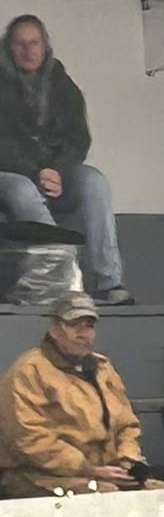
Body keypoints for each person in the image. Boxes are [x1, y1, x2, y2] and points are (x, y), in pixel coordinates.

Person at [0, 16, 130, 306]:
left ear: (45, 46)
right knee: (22, 189)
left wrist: (57, 171)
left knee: (93, 181)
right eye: (19, 44)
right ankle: (59, 283)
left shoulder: (62, 84)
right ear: (8, 48)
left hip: (51, 174)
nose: (28, 50)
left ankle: (108, 282)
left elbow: (78, 139)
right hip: (10, 174)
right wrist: (37, 172)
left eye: (34, 43)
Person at [0, 293, 164, 497]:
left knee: (159, 493)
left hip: (104, 472)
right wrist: (89, 470)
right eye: (74, 325)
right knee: (105, 495)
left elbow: (127, 426)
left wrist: (126, 461)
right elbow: (30, 440)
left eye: (89, 326)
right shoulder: (28, 371)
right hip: (39, 476)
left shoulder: (102, 368)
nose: (83, 334)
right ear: (54, 328)